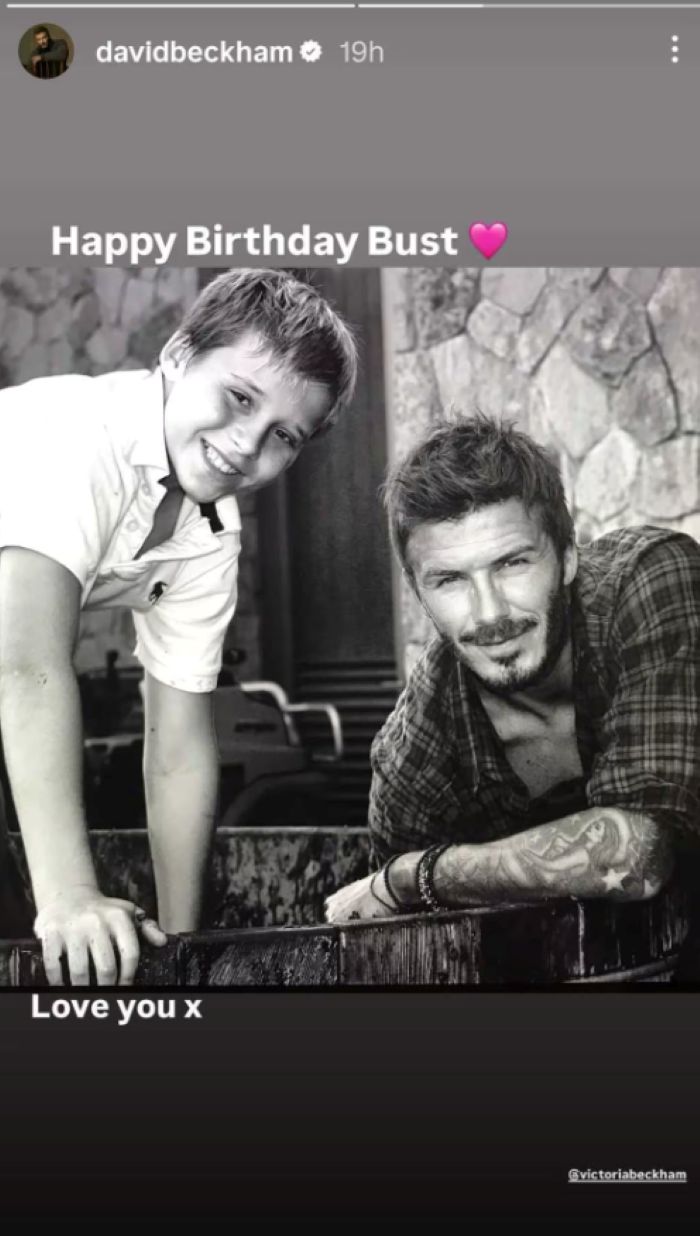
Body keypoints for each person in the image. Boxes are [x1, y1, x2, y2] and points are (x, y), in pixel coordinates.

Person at [0, 268, 357, 985]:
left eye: (283, 435)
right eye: (239, 397)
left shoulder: (210, 533)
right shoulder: (78, 437)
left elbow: (179, 749)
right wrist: (69, 896)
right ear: (178, 354)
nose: (246, 445)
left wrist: (184, 953)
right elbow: (29, 665)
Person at [325, 415, 700, 944]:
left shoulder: (651, 582)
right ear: (419, 592)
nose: (490, 613)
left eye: (511, 564)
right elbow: (407, 948)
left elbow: (636, 855)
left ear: (567, 556)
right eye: (450, 580)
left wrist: (414, 877)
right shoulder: (414, 754)